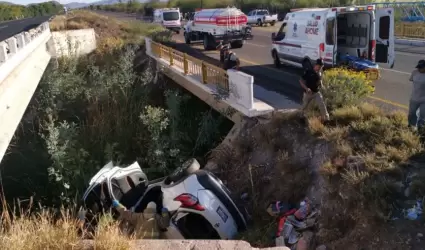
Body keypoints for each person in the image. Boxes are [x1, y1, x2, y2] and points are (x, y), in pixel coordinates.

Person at [408, 59, 425, 129]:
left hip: (424, 99)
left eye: (421, 67)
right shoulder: (414, 72)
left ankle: (420, 129)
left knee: (422, 116)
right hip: (414, 98)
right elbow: (411, 79)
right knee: (412, 114)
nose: (419, 69)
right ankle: (411, 128)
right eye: (418, 67)